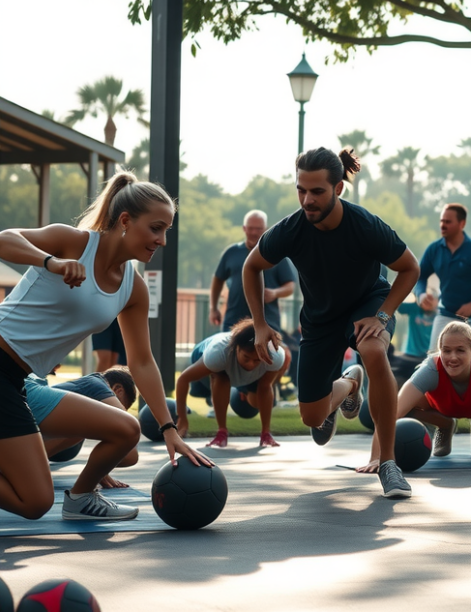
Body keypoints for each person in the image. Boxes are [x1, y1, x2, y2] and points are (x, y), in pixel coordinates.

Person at [0, 170, 210, 522]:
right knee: (34, 501)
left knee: (126, 430)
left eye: (167, 231)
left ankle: (81, 499)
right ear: (125, 221)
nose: (162, 240)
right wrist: (51, 262)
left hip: (18, 381)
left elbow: (142, 362)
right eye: (156, 228)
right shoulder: (73, 242)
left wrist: (169, 429)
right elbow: (4, 239)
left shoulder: (133, 288)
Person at [244, 147, 421, 499]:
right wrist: (260, 325)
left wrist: (383, 315)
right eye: (301, 190)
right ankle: (350, 384)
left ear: (338, 188)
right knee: (312, 418)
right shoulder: (291, 229)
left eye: (317, 191)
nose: (307, 200)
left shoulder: (365, 225)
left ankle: (388, 463)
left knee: (373, 351)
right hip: (320, 320)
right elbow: (252, 267)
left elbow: (409, 268)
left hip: (367, 304)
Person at [363, 321, 471, 470]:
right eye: (446, 351)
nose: (452, 357)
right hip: (441, 408)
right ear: (440, 351)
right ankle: (444, 425)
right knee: (400, 405)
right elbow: (391, 413)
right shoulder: (430, 368)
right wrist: (377, 458)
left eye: (460, 350)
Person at [174, 319, 290, 448]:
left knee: (252, 405)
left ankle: (264, 431)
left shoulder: (275, 355)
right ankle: (221, 432)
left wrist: (266, 433)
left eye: (257, 360)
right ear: (237, 348)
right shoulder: (218, 353)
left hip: (241, 376)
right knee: (221, 378)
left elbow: (265, 387)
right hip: (211, 363)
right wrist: (182, 418)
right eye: (246, 358)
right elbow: (183, 379)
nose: (251, 364)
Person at [33, 367, 138, 490]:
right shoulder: (96, 384)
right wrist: (98, 469)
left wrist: (102, 468)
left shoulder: (87, 387)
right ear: (117, 390)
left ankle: (29, 461)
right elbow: (130, 455)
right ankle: (28, 463)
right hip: (31, 432)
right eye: (122, 405)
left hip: (38, 436)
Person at [415, 203, 471, 342]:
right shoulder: (434, 250)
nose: (443, 225)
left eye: (448, 222)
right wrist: (421, 295)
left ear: (462, 223)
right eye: (442, 221)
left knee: (469, 354)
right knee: (435, 354)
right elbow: (420, 276)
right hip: (446, 314)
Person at [210, 210, 297, 333]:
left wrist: (275, 293)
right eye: (250, 228)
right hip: (234, 323)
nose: (254, 232)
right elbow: (218, 279)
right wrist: (213, 308)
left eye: (258, 229)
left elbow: (290, 286)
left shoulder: (276, 253)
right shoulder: (231, 252)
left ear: (266, 229)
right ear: (244, 228)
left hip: (268, 324)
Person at [393, 289, 438, 385]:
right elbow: (396, 304)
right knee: (395, 380)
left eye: (431, 298)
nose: (428, 301)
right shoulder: (415, 308)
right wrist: (418, 295)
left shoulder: (441, 315)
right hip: (409, 355)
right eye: (427, 298)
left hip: (428, 358)